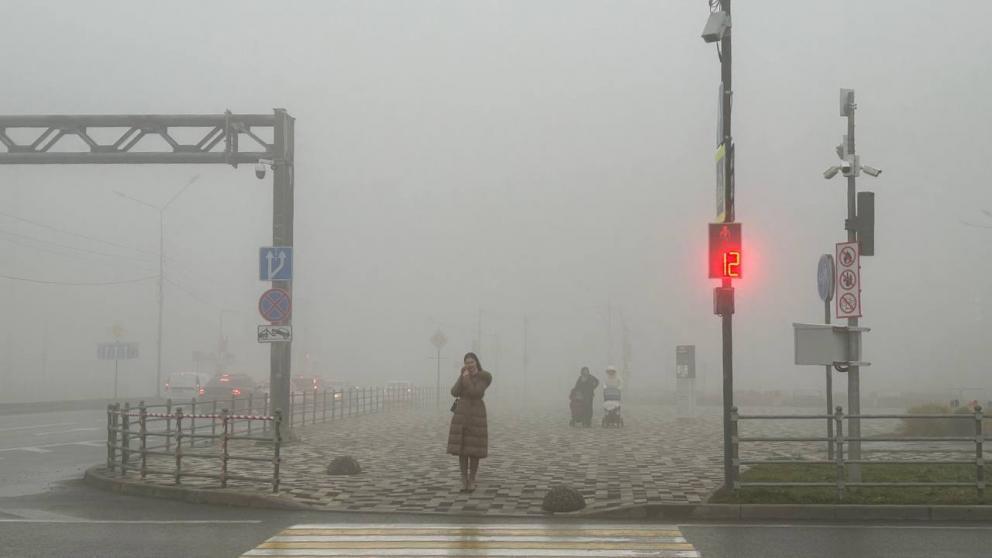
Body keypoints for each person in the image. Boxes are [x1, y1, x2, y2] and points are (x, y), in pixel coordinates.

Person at [447, 352, 493, 493]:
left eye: (472, 362)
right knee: (462, 449)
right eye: (467, 362)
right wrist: (462, 376)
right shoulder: (464, 375)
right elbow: (454, 392)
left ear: (476, 362)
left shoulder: (484, 376)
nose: (469, 365)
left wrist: (466, 378)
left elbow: (475, 392)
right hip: (461, 414)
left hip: (476, 415)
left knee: (474, 450)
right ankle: (463, 479)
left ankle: (472, 479)